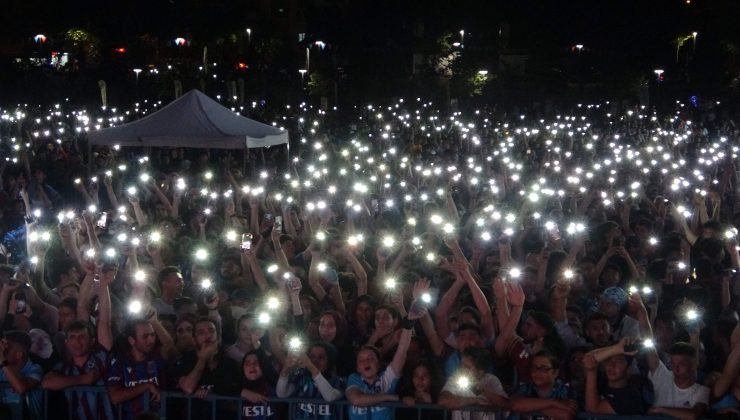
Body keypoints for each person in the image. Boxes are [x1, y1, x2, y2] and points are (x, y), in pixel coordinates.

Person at [345, 298, 418, 420]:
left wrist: (409, 321)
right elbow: (357, 400)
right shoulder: (354, 379)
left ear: (379, 364)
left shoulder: (387, 378)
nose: (366, 362)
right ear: (357, 367)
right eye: (361, 360)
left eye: (371, 358)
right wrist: (388, 397)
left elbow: (402, 351)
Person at [42, 319, 114, 419]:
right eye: (72, 337)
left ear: (92, 341)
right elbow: (46, 383)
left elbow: (105, 322)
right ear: (66, 343)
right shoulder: (63, 367)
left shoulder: (100, 359)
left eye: (82, 337)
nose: (77, 341)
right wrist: (83, 379)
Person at [175, 318, 240, 419]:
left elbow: (235, 398)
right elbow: (188, 388)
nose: (207, 336)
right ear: (194, 338)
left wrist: (213, 393)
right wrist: (202, 360)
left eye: (211, 331)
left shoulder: (229, 363)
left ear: (217, 336)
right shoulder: (186, 360)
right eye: (201, 333)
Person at [106, 318, 171, 420]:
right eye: (145, 336)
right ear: (132, 340)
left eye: (153, 335)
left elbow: (169, 347)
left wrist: (154, 321)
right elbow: (115, 397)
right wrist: (146, 386)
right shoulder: (120, 361)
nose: (151, 340)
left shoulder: (157, 356)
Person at [582, 338, 651, 416]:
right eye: (608, 360)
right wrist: (617, 348)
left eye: (618, 361)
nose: (612, 365)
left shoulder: (631, 396)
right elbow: (587, 358)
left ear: (628, 368)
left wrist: (591, 370)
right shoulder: (601, 383)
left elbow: (593, 410)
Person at [276, 341, 344, 419]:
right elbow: (282, 394)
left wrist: (309, 365)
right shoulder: (301, 378)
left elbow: (330, 396)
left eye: (321, 357)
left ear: (329, 360)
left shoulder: (339, 381)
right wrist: (286, 368)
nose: (315, 361)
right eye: (312, 357)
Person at [439, 347, 509, 420]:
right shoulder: (455, 379)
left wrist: (483, 391)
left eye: (466, 367)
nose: (462, 369)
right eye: (461, 365)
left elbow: (506, 406)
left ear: (480, 371)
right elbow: (443, 401)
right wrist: (475, 400)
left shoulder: (491, 380)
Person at [646, 341, 710, 419]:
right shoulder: (663, 376)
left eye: (681, 364)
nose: (676, 369)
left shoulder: (702, 391)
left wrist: (660, 409)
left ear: (692, 365)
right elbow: (650, 348)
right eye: (673, 364)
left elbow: (693, 415)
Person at [510, 351, 578, 420]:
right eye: (534, 368)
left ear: (555, 373)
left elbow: (566, 415)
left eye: (544, 369)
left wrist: (529, 406)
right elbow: (514, 405)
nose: (537, 372)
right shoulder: (526, 387)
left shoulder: (566, 389)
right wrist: (553, 402)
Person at [0, 330, 43, 419]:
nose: (3, 350)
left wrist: (2, 359)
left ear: (19, 355)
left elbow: (21, 387)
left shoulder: (35, 369)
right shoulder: (2, 369)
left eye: (7, 348)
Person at [238, 348, 278, 419]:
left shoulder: (273, 386)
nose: (252, 366)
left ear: (263, 366)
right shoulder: (237, 388)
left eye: (256, 363)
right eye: (247, 363)